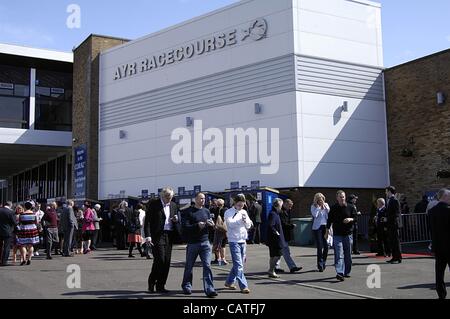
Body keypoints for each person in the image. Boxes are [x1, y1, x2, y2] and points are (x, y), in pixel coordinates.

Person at [144, 187, 181, 293]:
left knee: (167, 261)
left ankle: (161, 285)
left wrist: (175, 220)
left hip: (169, 235)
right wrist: (148, 236)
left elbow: (177, 219)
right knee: (160, 259)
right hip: (157, 235)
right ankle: (152, 282)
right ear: (162, 196)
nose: (168, 199)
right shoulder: (154, 205)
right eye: (167, 197)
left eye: (170, 197)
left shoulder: (174, 205)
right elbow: (147, 222)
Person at [181, 192, 218, 297]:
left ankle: (209, 289)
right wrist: (197, 225)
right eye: (201, 198)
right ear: (196, 199)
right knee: (189, 266)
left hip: (205, 242)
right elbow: (186, 227)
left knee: (207, 266)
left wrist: (212, 225)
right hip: (193, 243)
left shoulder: (206, 211)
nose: (203, 200)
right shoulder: (189, 212)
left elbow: (210, 224)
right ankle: (187, 286)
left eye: (204, 199)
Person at [223, 194, 253, 294]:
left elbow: (249, 225)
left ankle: (229, 282)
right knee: (238, 264)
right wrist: (240, 221)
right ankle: (244, 286)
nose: (241, 206)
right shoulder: (228, 212)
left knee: (238, 264)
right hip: (233, 240)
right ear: (235, 203)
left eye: (242, 205)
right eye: (239, 204)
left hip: (243, 240)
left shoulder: (244, 212)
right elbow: (230, 224)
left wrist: (245, 221)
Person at [325, 190, 356, 281]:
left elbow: (356, 218)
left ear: (345, 197)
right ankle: (339, 272)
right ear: (337, 198)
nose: (342, 198)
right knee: (338, 254)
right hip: (337, 235)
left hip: (348, 234)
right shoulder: (333, 208)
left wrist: (350, 219)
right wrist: (327, 232)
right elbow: (329, 220)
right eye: (340, 197)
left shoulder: (350, 207)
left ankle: (347, 271)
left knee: (348, 254)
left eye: (343, 196)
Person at [428, 188, 450, 299]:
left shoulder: (432, 211)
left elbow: (430, 229)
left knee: (439, 273)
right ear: (444, 197)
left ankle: (441, 294)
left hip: (438, 246)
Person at [275, 199, 302, 273]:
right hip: (282, 235)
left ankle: (276, 266)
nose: (290, 208)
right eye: (289, 206)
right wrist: (292, 225)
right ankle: (292, 267)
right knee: (286, 251)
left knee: (280, 252)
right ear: (285, 204)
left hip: (283, 235)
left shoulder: (286, 211)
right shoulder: (281, 212)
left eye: (291, 206)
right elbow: (283, 224)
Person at [266, 198, 285, 278]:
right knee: (278, 255)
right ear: (278, 205)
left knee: (273, 255)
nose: (281, 207)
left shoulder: (275, 213)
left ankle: (271, 271)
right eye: (281, 205)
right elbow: (271, 225)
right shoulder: (273, 214)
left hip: (273, 239)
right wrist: (276, 233)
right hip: (275, 239)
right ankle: (271, 270)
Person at [311, 193, 330, 272]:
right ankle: (320, 265)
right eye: (318, 199)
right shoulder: (313, 206)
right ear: (316, 200)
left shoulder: (326, 205)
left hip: (325, 227)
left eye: (321, 199)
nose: (320, 201)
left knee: (326, 246)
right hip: (317, 228)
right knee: (319, 246)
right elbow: (315, 215)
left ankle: (323, 262)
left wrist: (324, 207)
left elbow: (329, 215)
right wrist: (318, 207)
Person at [385, 186, 403, 264]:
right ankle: (394, 257)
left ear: (389, 191)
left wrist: (387, 219)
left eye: (386, 191)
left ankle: (398, 257)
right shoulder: (390, 200)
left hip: (394, 224)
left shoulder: (395, 200)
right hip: (391, 224)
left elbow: (396, 213)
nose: (385, 193)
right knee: (392, 241)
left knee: (396, 241)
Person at [0, 201, 17, 266]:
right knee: (6, 247)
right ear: (10, 205)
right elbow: (14, 222)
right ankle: (4, 261)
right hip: (8, 231)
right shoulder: (11, 212)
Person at [212, 199, 228, 266]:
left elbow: (213, 219)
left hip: (218, 229)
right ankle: (222, 259)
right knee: (222, 245)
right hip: (223, 229)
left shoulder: (215, 210)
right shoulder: (226, 210)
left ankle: (219, 259)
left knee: (218, 244)